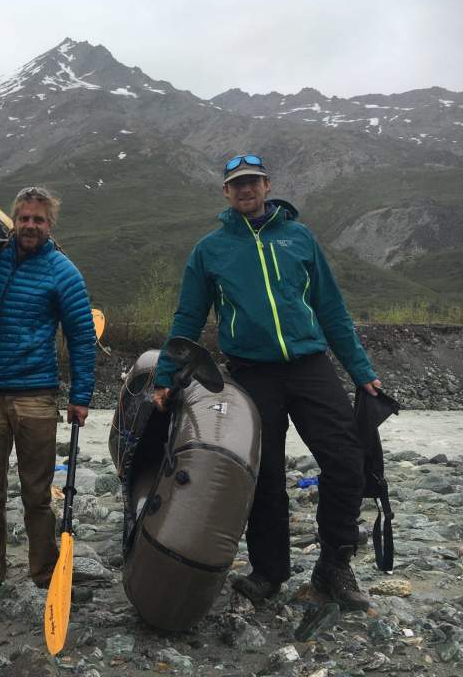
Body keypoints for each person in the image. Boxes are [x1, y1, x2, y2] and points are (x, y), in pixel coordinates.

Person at [152, 154, 382, 611]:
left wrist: (362, 370)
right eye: (236, 184)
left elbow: (331, 308)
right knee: (265, 475)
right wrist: (163, 375)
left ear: (267, 185)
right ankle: (269, 571)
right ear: (226, 192)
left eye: (253, 182)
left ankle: (335, 565)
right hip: (252, 373)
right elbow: (189, 316)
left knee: (345, 459)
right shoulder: (210, 249)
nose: (245, 190)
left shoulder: (298, 237)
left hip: (309, 364)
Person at [0, 186, 97, 600]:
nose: (30, 226)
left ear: (49, 225)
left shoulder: (63, 272)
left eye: (39, 220)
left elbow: (82, 336)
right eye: (24, 218)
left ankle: (43, 571)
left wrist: (81, 396)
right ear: (14, 221)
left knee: (37, 493)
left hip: (36, 396)